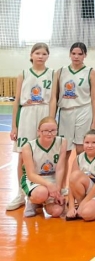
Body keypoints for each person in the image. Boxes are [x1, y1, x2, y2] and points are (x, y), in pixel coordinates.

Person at [8, 43, 56, 212]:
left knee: (43, 154)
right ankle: (21, 194)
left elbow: (53, 99)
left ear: (48, 56)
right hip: (27, 114)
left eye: (44, 53)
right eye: (37, 53)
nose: (40, 56)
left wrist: (51, 120)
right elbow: (16, 101)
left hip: (44, 112)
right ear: (31, 55)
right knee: (23, 155)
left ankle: (42, 193)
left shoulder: (52, 74)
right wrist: (14, 126)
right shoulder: (23, 74)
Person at [55, 43, 95, 161]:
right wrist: (52, 117)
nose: (76, 56)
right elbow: (55, 97)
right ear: (69, 54)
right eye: (73, 53)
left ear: (85, 55)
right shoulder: (60, 72)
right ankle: (63, 174)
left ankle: (80, 172)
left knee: (81, 148)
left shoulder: (91, 72)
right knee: (64, 149)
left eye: (80, 54)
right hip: (65, 112)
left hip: (83, 110)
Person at [20, 117, 67, 218]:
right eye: (45, 130)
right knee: (41, 193)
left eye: (53, 130)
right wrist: (48, 185)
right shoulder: (28, 147)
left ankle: (44, 202)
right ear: (39, 131)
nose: (49, 133)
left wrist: (58, 189)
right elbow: (31, 174)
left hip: (52, 178)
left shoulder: (62, 142)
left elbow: (60, 168)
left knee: (57, 211)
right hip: (34, 179)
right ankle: (32, 201)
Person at [66, 129, 95, 221]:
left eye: (94, 142)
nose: (90, 145)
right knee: (75, 176)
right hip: (90, 192)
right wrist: (71, 207)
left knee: (87, 214)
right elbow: (71, 184)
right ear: (83, 143)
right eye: (87, 142)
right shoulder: (78, 158)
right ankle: (83, 205)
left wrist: (83, 204)